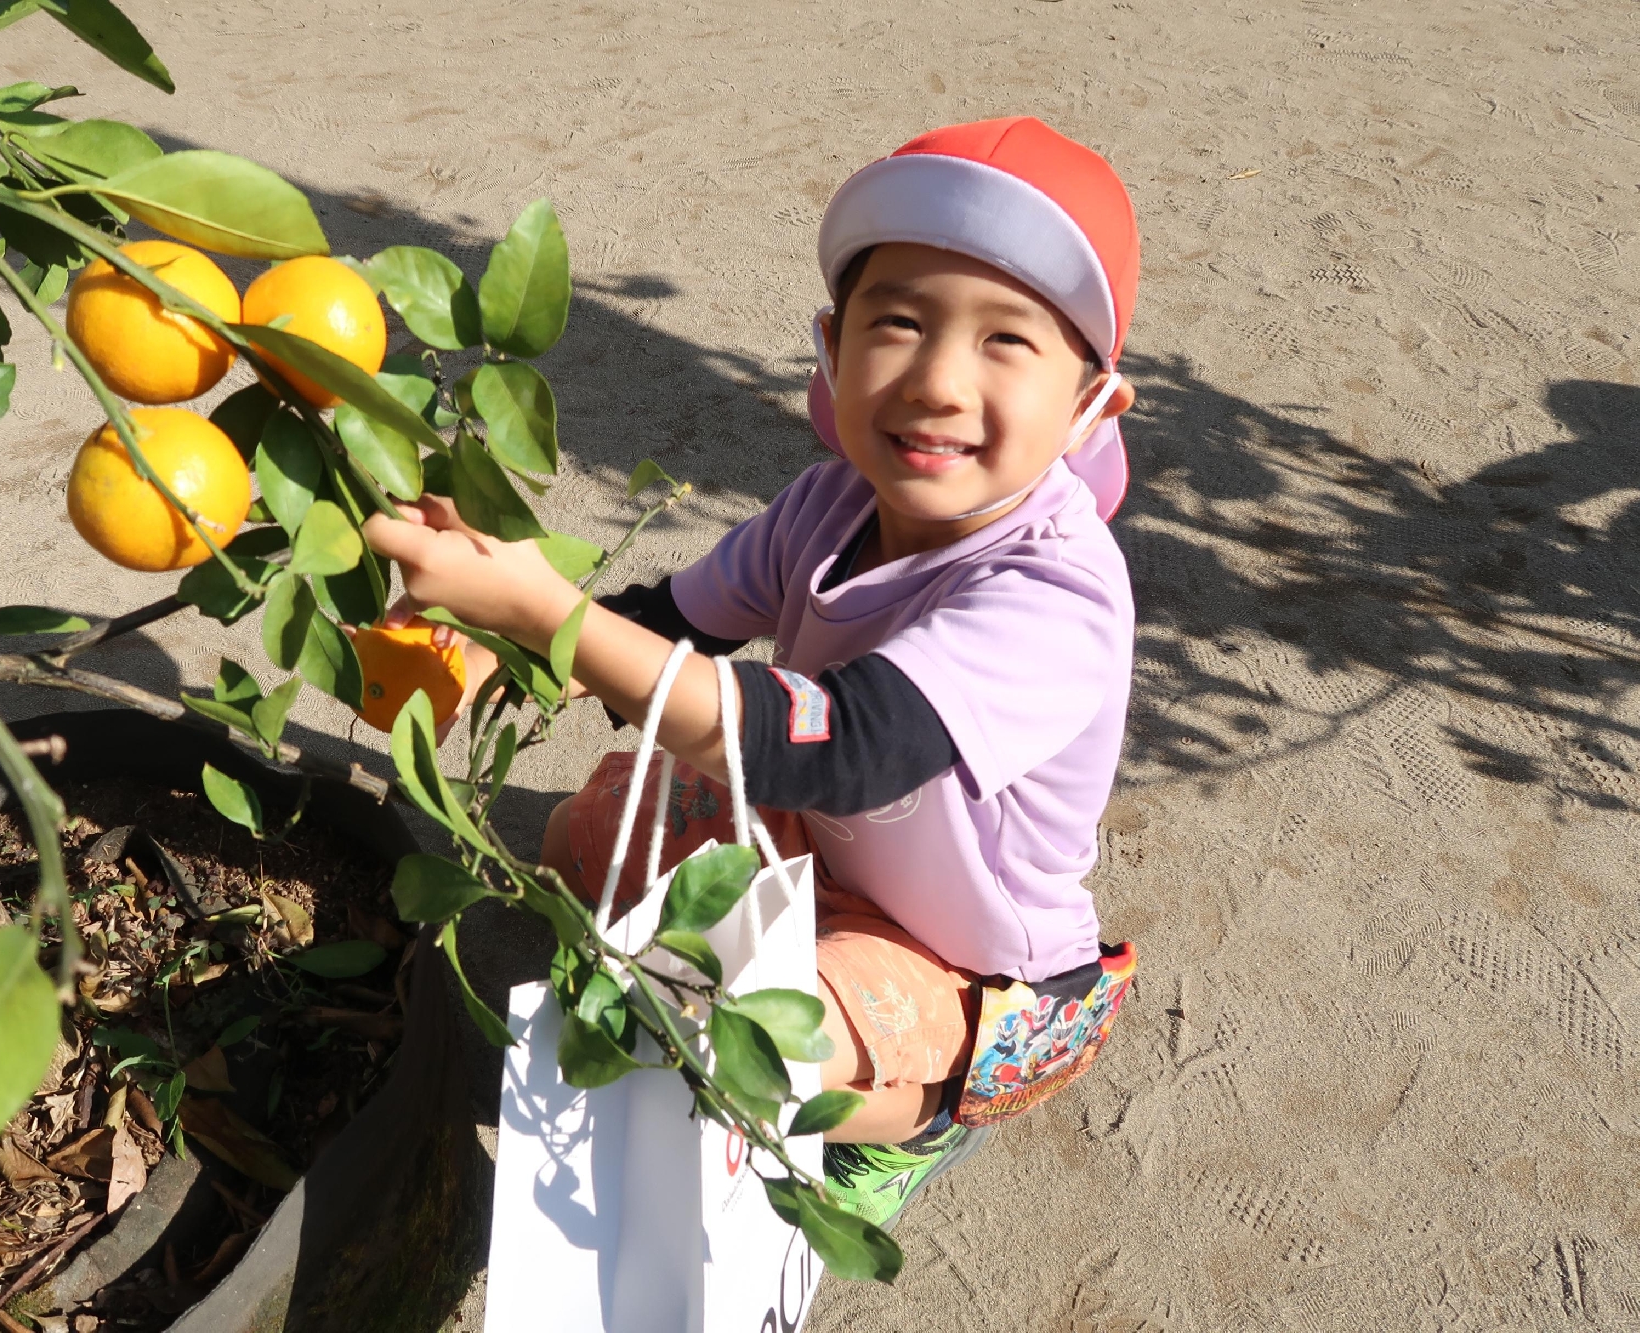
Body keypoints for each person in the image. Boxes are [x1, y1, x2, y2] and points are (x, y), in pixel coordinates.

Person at [365, 116, 1142, 1230]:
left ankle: (922, 1113)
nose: (932, 380)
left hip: (963, 957)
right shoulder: (825, 506)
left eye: (1003, 341)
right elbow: (671, 621)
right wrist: (504, 637)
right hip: (816, 844)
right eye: (899, 323)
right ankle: (803, 994)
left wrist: (546, 606)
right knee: (572, 842)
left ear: (1087, 405)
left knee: (749, 1046)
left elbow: (835, 745)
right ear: (831, 347)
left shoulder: (1054, 594)